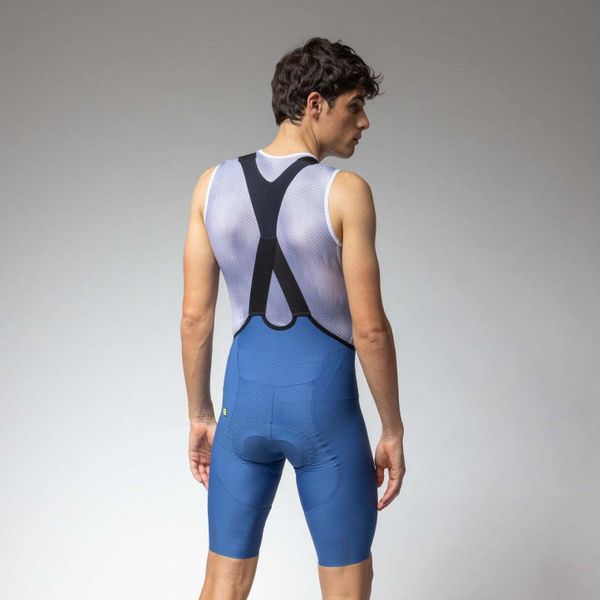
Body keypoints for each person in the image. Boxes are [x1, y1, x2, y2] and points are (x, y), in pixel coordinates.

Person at [181, 37, 406, 600]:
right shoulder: (345, 193)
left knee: (222, 584)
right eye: (355, 106)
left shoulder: (211, 185)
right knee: (346, 586)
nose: (364, 122)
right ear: (314, 104)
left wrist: (200, 414)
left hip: (241, 405)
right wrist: (392, 429)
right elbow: (371, 329)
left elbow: (194, 319)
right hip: (324, 412)